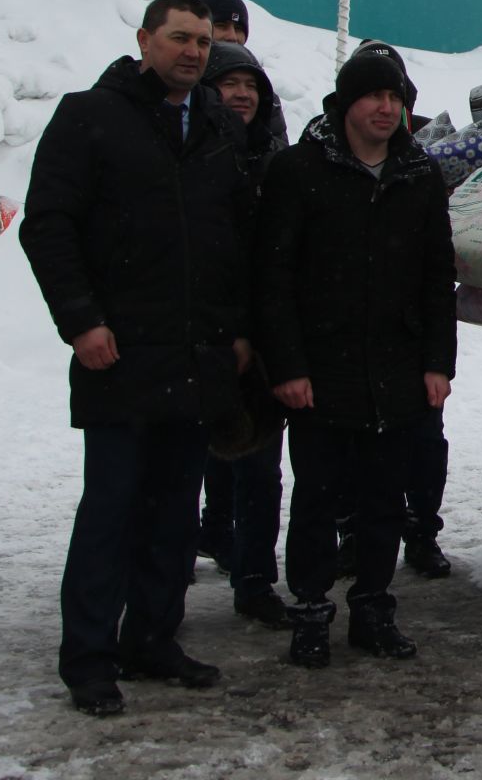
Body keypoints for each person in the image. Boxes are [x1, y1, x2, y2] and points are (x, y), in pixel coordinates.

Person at [21, 0, 255, 715]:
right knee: (112, 512)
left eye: (203, 42)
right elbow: (48, 226)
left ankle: (153, 638)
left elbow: (233, 240)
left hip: (196, 355)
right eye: (179, 38)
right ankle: (89, 659)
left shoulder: (216, 126)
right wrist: (81, 322)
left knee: (175, 513)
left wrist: (238, 329)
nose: (192, 52)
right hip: (118, 354)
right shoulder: (92, 116)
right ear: (145, 40)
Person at [254, 47, 458, 669]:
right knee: (317, 496)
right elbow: (273, 280)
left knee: (383, 500)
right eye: (374, 96)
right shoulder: (297, 171)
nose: (386, 108)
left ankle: (373, 607)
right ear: (346, 103)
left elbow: (434, 277)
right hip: (322, 370)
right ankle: (311, 613)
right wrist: (287, 367)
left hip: (397, 369)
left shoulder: (419, 174)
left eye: (395, 98)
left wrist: (437, 364)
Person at [196, 40, 293, 628]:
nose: (240, 94)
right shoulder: (188, 158)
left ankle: (255, 580)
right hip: (196, 336)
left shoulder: (275, 164)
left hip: (262, 340)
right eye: (228, 84)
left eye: (250, 86)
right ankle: (160, 580)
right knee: (183, 466)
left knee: (260, 469)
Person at [198, 0, 290, 147]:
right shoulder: (184, 81)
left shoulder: (262, 91)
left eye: (238, 28)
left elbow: (278, 153)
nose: (232, 36)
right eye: (221, 26)